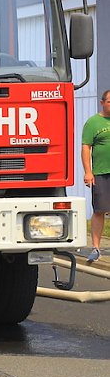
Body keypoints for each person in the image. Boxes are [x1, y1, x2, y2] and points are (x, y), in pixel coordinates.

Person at [82, 90, 110, 262]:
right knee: (99, 210)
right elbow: (86, 147)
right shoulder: (93, 122)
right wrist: (88, 172)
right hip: (101, 173)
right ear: (102, 103)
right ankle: (96, 248)